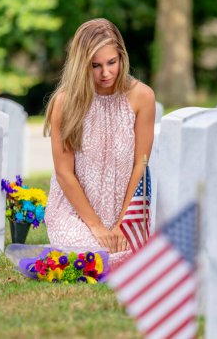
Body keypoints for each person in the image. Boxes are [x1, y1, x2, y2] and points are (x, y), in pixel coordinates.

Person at [43, 18, 156, 267]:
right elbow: (64, 173)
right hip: (76, 213)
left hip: (124, 212)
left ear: (121, 57)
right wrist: (96, 227)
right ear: (81, 65)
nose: (105, 73)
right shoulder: (65, 102)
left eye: (111, 63)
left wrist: (121, 224)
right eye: (95, 65)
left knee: (132, 257)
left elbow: (140, 164)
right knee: (87, 257)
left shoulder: (142, 97)